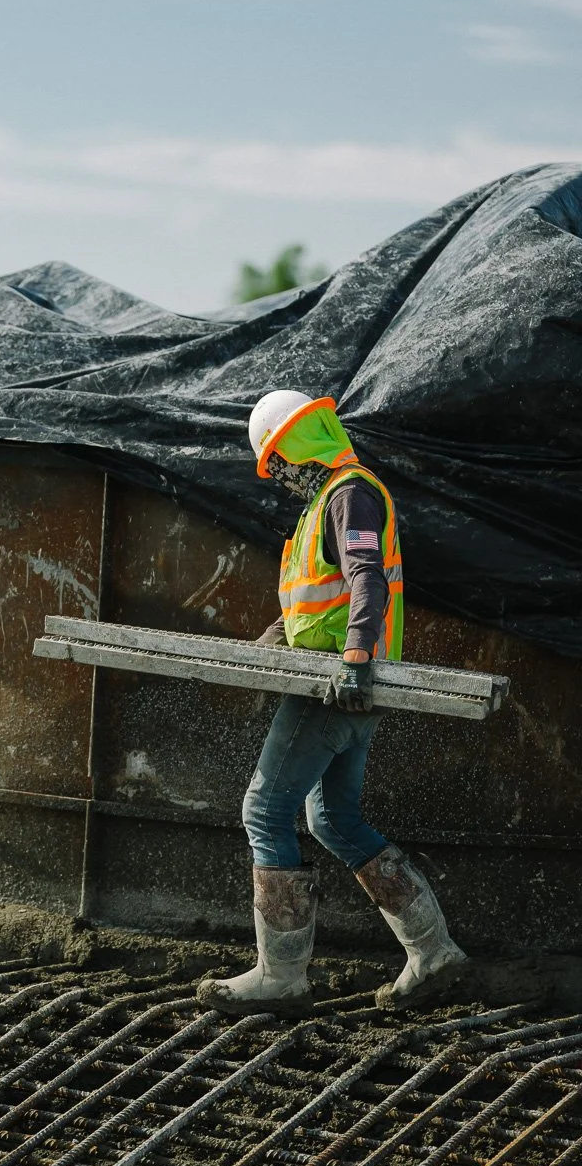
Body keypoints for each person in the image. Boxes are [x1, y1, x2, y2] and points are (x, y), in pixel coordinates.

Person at [197, 391, 468, 1016]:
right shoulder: (330, 502)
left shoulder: (348, 493)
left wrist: (352, 657)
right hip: (346, 679)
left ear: (295, 445)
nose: (282, 477)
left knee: (265, 809)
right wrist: (278, 636)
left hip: (336, 683)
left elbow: (366, 577)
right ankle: (433, 951)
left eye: (279, 463)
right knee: (333, 821)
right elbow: (318, 598)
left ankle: (281, 976)